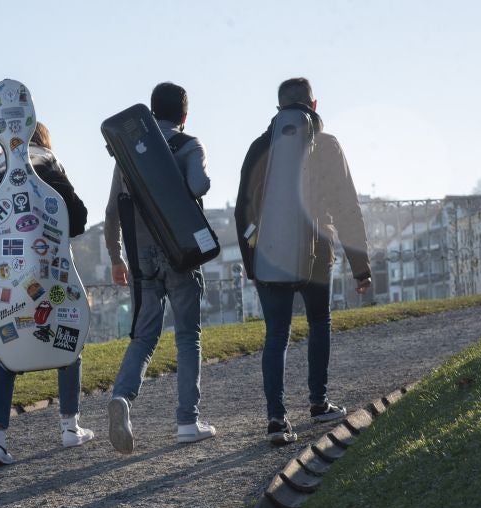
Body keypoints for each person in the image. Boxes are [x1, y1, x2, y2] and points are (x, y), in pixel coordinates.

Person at [235, 77, 371, 445]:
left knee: (276, 336)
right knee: (319, 323)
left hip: (269, 256)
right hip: (317, 253)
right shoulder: (327, 145)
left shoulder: (260, 147)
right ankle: (318, 402)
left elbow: (242, 210)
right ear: (314, 104)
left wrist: (252, 264)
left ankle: (277, 421)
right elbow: (347, 207)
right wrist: (360, 266)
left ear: (279, 108)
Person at [0, 122, 92, 465]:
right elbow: (78, 219)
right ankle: (69, 427)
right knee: (69, 343)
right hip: (54, 279)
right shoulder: (54, 173)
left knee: (5, 356)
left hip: (9, 285)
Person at [104, 82, 215, 454]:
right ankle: (187, 421)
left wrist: (116, 258)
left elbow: (112, 213)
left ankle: (122, 396)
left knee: (144, 337)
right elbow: (199, 184)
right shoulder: (189, 145)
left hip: (142, 261)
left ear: (150, 114)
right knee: (187, 336)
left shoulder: (127, 155)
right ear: (184, 115)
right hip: (181, 253)